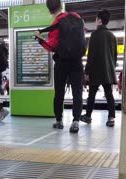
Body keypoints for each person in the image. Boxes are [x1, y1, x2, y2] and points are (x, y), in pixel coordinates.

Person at [35, 0, 85, 133]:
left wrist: (39, 39)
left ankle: (59, 121)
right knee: (77, 92)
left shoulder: (56, 23)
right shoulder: (76, 17)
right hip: (77, 62)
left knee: (59, 93)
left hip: (62, 62)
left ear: (49, 10)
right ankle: (75, 121)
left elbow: (52, 47)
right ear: (61, 6)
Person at [80, 10, 117, 127]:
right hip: (108, 71)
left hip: (96, 71)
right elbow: (114, 56)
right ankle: (111, 118)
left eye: (96, 19)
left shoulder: (95, 35)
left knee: (91, 95)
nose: (95, 21)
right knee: (109, 95)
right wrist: (111, 69)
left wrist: (87, 71)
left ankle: (88, 116)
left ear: (100, 20)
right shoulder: (113, 36)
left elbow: (91, 55)